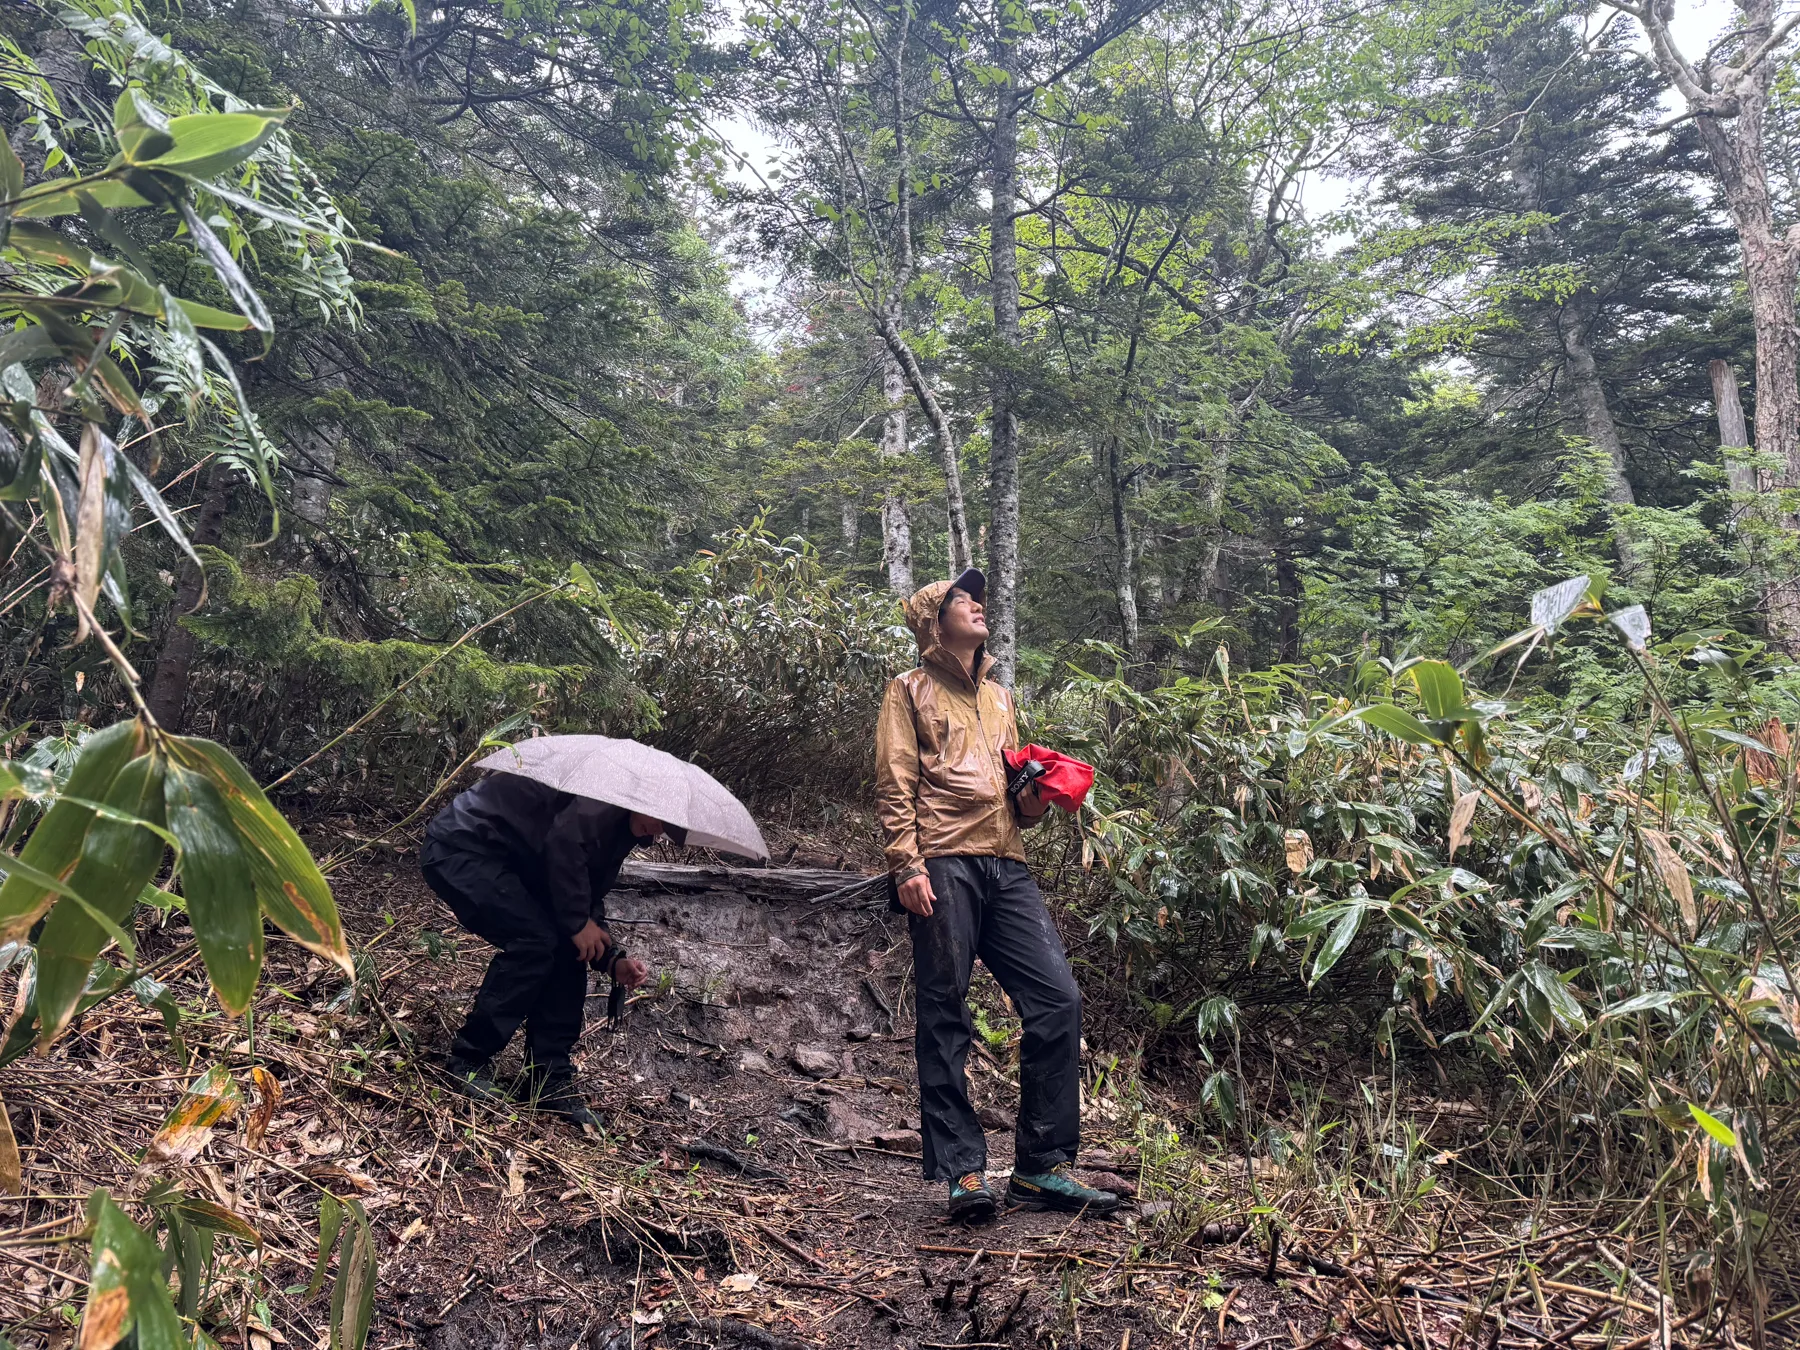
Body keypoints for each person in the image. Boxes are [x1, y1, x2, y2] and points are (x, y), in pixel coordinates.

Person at [875, 568, 1120, 1220]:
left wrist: (1037, 795)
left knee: (1057, 998)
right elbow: (896, 784)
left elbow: (1018, 800)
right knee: (945, 1010)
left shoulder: (999, 699)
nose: (977, 604)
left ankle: (1042, 1168)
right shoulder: (908, 691)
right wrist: (908, 865)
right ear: (934, 619)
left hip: (1006, 864)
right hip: (944, 861)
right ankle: (963, 1172)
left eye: (977, 597)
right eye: (962, 598)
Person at [419, 770, 668, 1129]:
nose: (658, 829)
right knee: (536, 940)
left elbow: (583, 893)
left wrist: (612, 960)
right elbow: (563, 846)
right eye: (657, 818)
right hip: (464, 846)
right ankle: (468, 1061)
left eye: (666, 827)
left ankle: (547, 1079)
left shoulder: (623, 828)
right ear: (641, 799)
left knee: (570, 948)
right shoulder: (599, 802)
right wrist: (577, 923)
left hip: (514, 863)